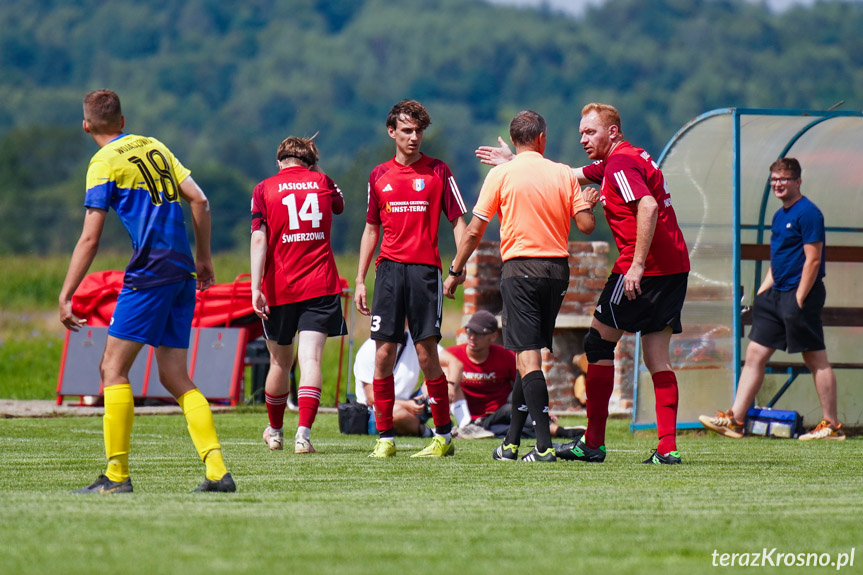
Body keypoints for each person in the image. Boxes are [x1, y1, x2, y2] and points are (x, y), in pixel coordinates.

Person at [476, 102, 690, 465]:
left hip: (644, 269)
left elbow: (649, 207)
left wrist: (636, 266)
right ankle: (667, 448)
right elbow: (561, 175)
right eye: (580, 133)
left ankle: (593, 443)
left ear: (613, 132)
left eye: (590, 132)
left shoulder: (620, 163)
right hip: (674, 267)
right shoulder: (620, 160)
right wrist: (515, 161)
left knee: (596, 343)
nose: (583, 139)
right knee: (657, 357)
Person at [59, 89, 235, 493]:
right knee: (174, 374)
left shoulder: (102, 163)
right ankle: (217, 472)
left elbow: (90, 239)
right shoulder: (153, 144)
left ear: (87, 126)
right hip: (180, 271)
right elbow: (200, 200)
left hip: (150, 271)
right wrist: (203, 257)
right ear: (122, 121)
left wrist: (67, 293)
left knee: (112, 369)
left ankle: (117, 476)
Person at [445, 110, 597, 462]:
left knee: (529, 360)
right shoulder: (562, 173)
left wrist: (455, 269)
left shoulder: (500, 174)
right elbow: (586, 226)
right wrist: (588, 203)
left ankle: (542, 447)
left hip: (520, 270)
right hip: (558, 272)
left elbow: (474, 229)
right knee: (524, 357)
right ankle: (511, 443)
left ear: (514, 141)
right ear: (542, 138)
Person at [699, 158, 844, 441]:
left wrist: (799, 298)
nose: (778, 184)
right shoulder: (779, 216)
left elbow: (812, 261)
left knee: (815, 358)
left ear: (797, 182)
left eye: (784, 179)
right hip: (774, 297)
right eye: (774, 180)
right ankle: (736, 420)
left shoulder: (809, 213)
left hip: (800, 295)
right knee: (754, 355)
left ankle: (831, 426)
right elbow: (777, 259)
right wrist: (763, 292)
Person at [355, 99, 468, 458]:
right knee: (383, 353)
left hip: (425, 272)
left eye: (419, 130)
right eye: (407, 130)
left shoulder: (439, 172)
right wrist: (360, 278)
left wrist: (458, 266)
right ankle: (385, 437)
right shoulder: (378, 176)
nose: (414, 137)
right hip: (388, 271)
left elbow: (459, 223)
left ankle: (444, 436)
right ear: (392, 132)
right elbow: (371, 228)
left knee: (426, 354)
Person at [251, 136, 347, 454]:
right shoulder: (323, 181)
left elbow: (258, 241)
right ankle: (303, 435)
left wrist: (255, 287)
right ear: (309, 161)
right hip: (320, 285)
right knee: (311, 359)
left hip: (280, 287)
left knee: (280, 363)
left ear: (279, 162)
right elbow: (340, 205)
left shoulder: (263, 189)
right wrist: (315, 167)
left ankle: (276, 432)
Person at [445, 310, 584, 441]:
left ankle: (551, 428)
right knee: (516, 420)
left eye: (480, 333)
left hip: (501, 412)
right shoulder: (453, 357)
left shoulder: (505, 356)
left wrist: (539, 408)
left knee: (517, 405)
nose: (472, 336)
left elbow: (525, 384)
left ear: (493, 336)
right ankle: (560, 432)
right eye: (469, 331)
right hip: (475, 419)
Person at [354, 331, 460, 437]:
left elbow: (455, 363)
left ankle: (463, 424)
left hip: (412, 403)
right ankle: (430, 432)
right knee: (394, 412)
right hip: (377, 411)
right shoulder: (368, 349)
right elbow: (372, 398)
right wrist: (407, 405)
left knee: (446, 374)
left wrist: (450, 386)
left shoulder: (416, 338)